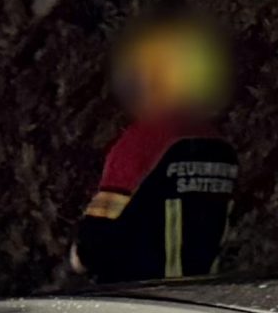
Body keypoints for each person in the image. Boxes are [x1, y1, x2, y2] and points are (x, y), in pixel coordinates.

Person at [71, 15, 239, 283]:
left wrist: (83, 253)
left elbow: (92, 243)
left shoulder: (144, 142)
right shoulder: (221, 148)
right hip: (202, 297)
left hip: (142, 300)